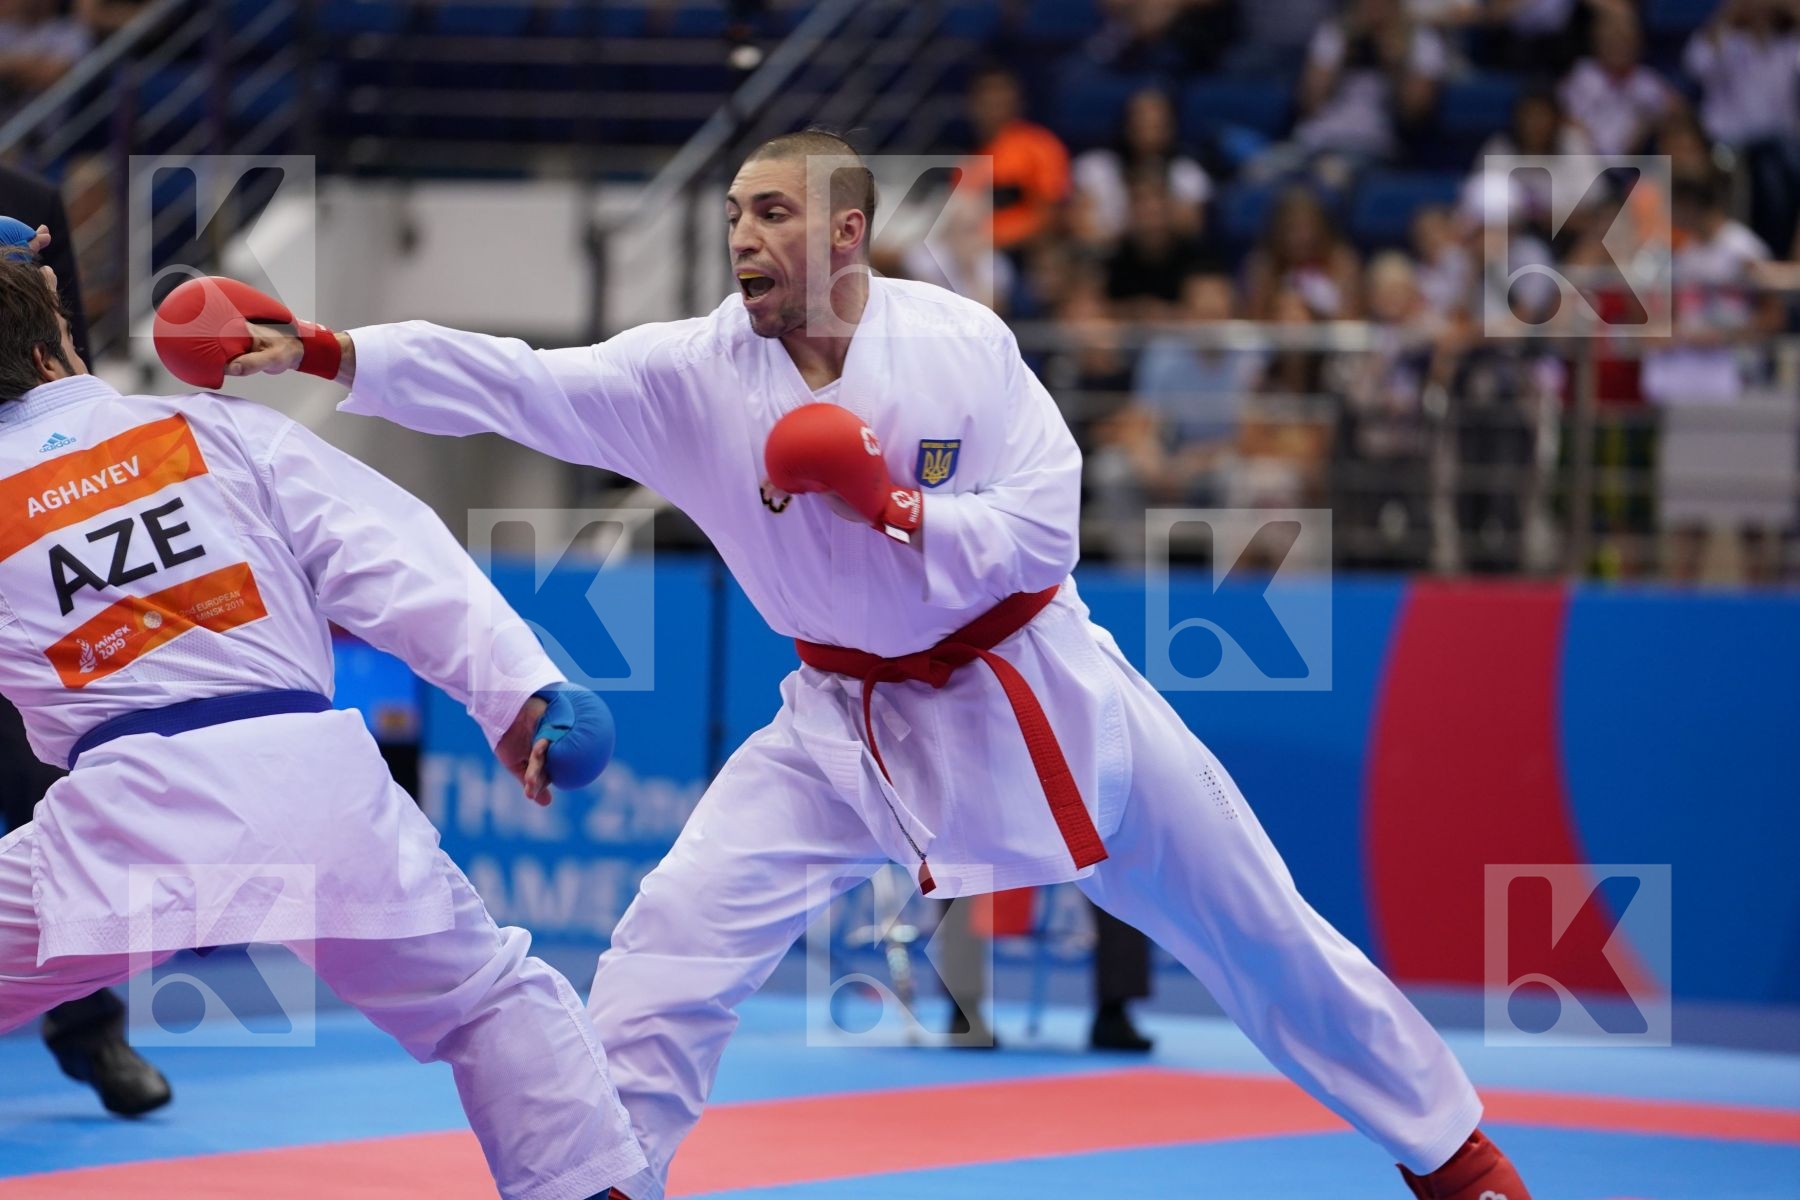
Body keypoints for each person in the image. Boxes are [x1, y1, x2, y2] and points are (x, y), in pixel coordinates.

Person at [209, 128, 1536, 1200]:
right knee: (672, 941)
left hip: (1041, 695)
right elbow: (519, 381)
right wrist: (331, 352)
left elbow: (1043, 531)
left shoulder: (959, 347)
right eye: (735, 212)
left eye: (774, 212)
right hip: (837, 725)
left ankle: (1456, 1158)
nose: (743, 235)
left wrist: (894, 507)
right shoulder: (691, 375)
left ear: (847, 231)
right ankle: (600, 1187)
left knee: (1266, 936)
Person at [0, 254, 646, 1200]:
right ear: (51, 350)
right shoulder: (210, 425)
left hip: (121, 816)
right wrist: (521, 693)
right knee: (487, 1003)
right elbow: (387, 555)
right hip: (313, 789)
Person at [0, 193, 168, 1116]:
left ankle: (92, 1032)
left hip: (28, 547)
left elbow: (67, 365)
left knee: (54, 802)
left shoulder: (23, 184)